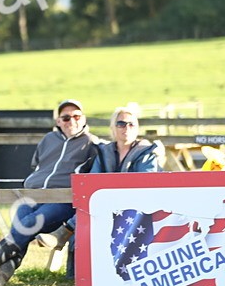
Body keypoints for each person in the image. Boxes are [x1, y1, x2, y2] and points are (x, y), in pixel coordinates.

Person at [0, 98, 101, 286]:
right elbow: (36, 165)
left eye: (76, 116)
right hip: (32, 196)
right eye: (66, 117)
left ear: (84, 118)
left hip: (63, 201)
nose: (72, 121)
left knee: (27, 224)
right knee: (21, 229)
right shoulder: (48, 140)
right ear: (58, 121)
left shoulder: (93, 145)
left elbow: (97, 172)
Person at [36, 104, 164, 262]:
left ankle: (65, 231)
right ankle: (74, 265)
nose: (126, 128)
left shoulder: (147, 154)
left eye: (131, 124)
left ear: (137, 128)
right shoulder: (104, 152)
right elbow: (92, 183)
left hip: (136, 209)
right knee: (88, 203)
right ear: (113, 128)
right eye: (121, 124)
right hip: (105, 207)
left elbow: (145, 187)